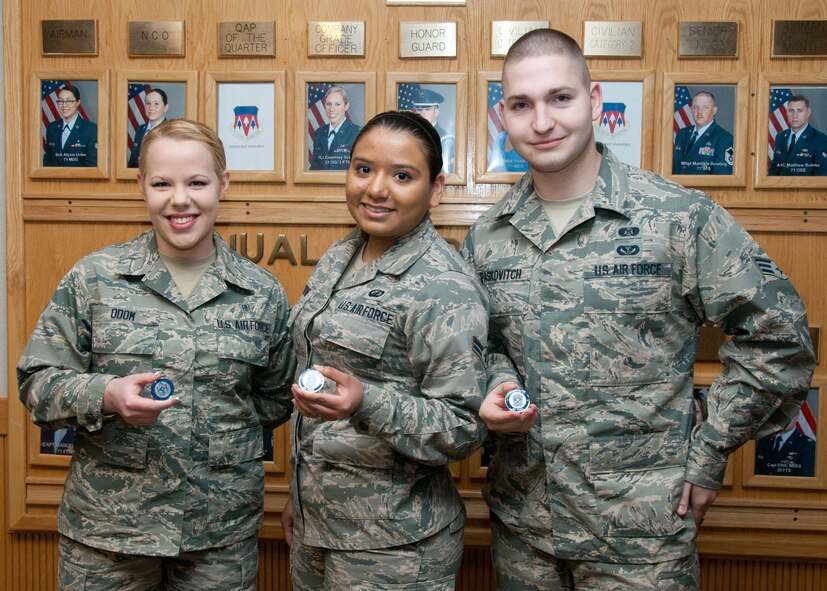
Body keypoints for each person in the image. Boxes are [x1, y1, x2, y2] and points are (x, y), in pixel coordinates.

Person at [460, 29, 815, 590]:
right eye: (522, 105)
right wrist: (497, 382)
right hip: (525, 531)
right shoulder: (486, 239)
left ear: (595, 101)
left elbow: (781, 337)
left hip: (642, 537)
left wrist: (710, 449)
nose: (543, 122)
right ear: (503, 115)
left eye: (561, 98)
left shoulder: (676, 218)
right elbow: (481, 350)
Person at [18, 119, 296, 590]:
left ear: (223, 186)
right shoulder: (95, 280)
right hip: (108, 534)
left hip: (218, 537)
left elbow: (273, 400)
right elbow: (38, 383)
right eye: (162, 183)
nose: (180, 199)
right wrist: (106, 395)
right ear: (140, 186)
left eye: (197, 183)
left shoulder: (260, 293)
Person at [281, 110, 488, 590]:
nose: (376, 188)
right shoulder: (342, 255)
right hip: (320, 528)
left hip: (395, 546)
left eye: (401, 175)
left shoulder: (443, 286)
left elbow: (464, 425)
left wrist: (366, 401)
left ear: (435, 189)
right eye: (362, 169)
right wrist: (301, 498)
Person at [672, 91, 734, 175]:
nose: (699, 112)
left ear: (714, 110)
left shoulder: (725, 140)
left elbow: (721, 179)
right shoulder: (682, 134)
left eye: (705, 107)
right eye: (696, 107)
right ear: (691, 109)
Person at [768, 94, 827, 176]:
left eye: (799, 111)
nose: (794, 116)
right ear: (787, 112)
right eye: (791, 110)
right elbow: (774, 168)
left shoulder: (820, 139)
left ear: (809, 112)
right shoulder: (780, 137)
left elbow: (821, 176)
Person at [43, 84, 98, 167]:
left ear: (78, 103)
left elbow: (91, 164)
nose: (64, 105)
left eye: (69, 101)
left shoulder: (91, 130)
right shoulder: (52, 128)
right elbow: (48, 159)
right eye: (60, 101)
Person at [309, 86, 361, 170]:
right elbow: (315, 168)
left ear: (346, 105)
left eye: (337, 104)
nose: (332, 109)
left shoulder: (357, 133)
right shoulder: (319, 133)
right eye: (328, 104)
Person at [412, 87, 456, 174]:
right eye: (419, 109)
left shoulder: (445, 139)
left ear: (436, 112)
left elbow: (446, 173)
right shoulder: (409, 136)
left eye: (427, 109)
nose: (422, 113)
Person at [128, 88, 169, 168]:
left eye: (156, 104)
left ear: (165, 108)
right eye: (148, 103)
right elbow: (133, 161)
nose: (151, 108)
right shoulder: (140, 129)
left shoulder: (169, 130)